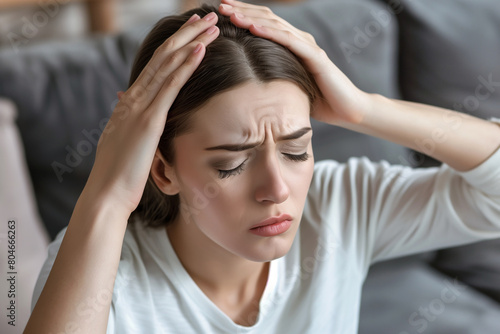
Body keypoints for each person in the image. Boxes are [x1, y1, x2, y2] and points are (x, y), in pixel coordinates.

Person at [26, 0, 500, 333]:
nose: (277, 188)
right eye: (231, 164)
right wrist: (108, 199)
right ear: (163, 170)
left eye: (297, 151)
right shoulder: (101, 266)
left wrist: (363, 108)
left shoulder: (340, 205)